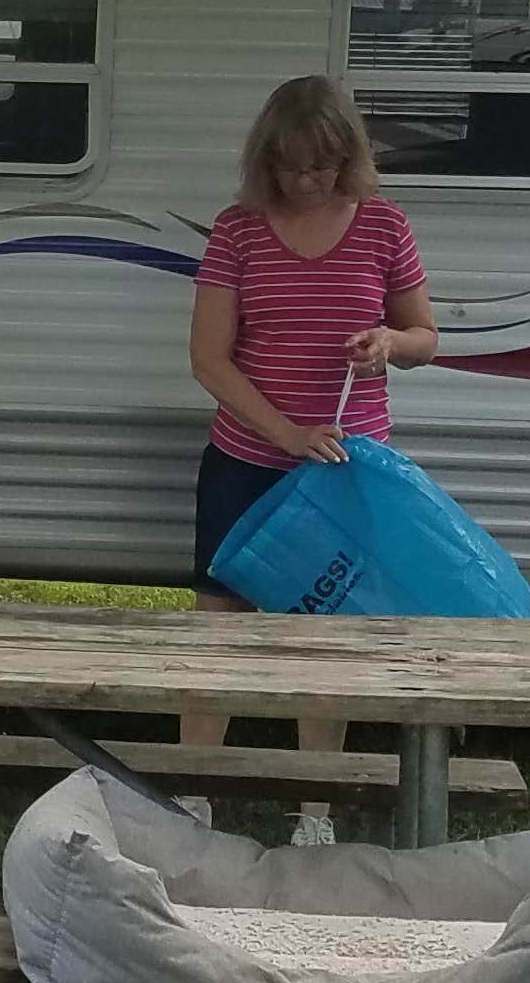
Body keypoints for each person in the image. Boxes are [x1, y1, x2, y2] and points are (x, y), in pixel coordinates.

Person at [186, 75, 439, 842]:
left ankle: (316, 808)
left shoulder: (385, 227)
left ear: (348, 159)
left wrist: (389, 344)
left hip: (346, 466)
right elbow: (209, 359)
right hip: (245, 460)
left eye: (325, 166)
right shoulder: (237, 231)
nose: (309, 181)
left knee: (326, 629)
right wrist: (285, 433)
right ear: (269, 161)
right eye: (295, 166)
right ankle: (193, 793)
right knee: (218, 626)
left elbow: (426, 337)